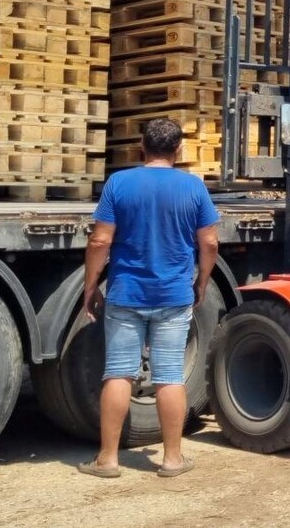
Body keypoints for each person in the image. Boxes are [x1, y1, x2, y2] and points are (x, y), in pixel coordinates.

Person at [78, 118, 219, 479]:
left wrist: (91, 284)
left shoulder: (120, 183)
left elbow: (99, 241)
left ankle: (107, 459)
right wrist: (202, 281)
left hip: (127, 293)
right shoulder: (193, 187)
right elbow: (209, 242)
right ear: (179, 150)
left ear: (142, 147)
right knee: (169, 375)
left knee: (119, 373)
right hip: (173, 294)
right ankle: (172, 460)